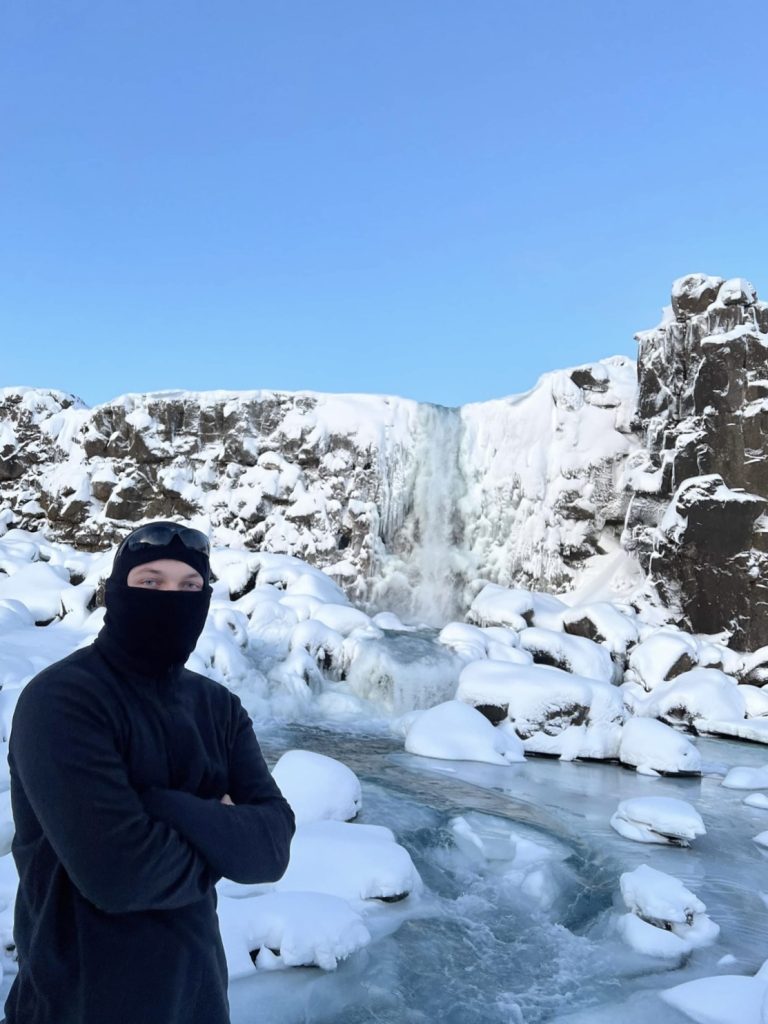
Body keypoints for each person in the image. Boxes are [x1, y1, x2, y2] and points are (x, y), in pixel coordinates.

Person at [3, 521, 296, 1024]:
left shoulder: (218, 708)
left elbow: (269, 852)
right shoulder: (63, 701)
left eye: (189, 587)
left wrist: (164, 804)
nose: (171, 598)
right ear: (118, 591)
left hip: (198, 998)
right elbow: (118, 876)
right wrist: (222, 835)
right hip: (76, 1003)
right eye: (151, 582)